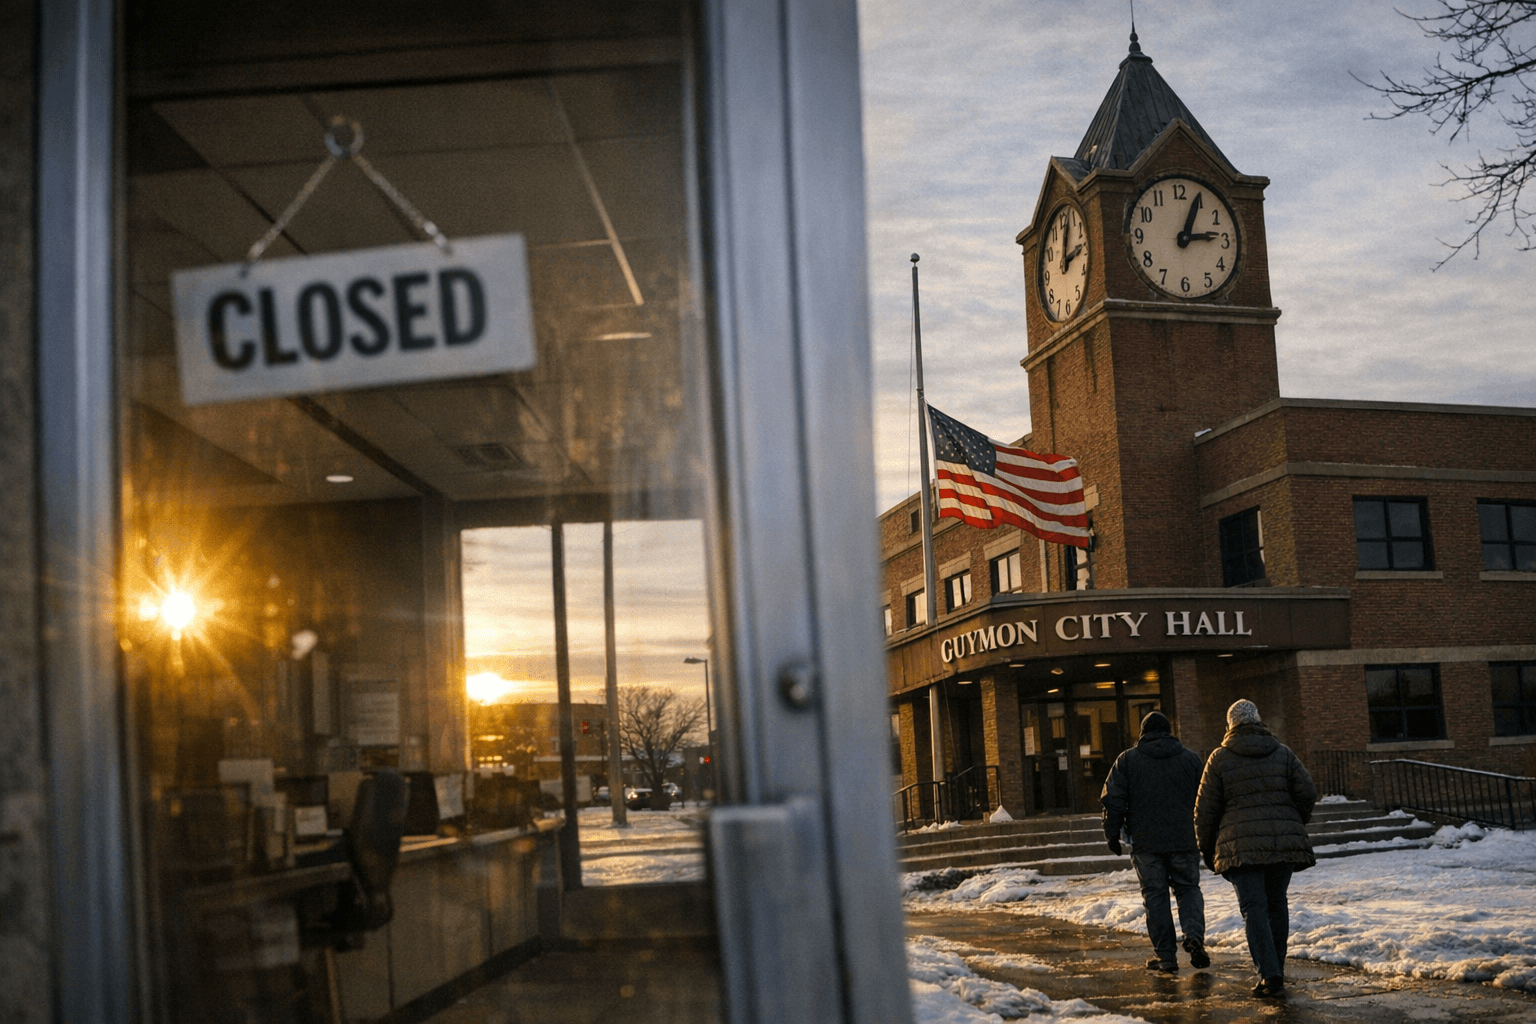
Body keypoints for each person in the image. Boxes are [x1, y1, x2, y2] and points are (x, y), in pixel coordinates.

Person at [1195, 699, 1317, 999]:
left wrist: (1209, 851)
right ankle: (1277, 969)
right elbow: (1308, 792)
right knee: (1277, 905)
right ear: (1258, 720)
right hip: (1282, 845)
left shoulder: (1220, 758)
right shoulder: (1283, 753)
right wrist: (1292, 821)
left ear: (1230, 725)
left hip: (1241, 847)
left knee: (1254, 910)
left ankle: (1269, 974)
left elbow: (1205, 811)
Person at [1100, 710, 1208, 973]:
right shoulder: (1191, 760)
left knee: (1155, 896)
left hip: (1146, 842)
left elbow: (1112, 799)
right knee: (1188, 889)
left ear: (1142, 733)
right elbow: (1207, 799)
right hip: (1184, 839)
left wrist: (1111, 833)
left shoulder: (1127, 760)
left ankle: (1167, 957)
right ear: (1169, 731)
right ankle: (1194, 935)